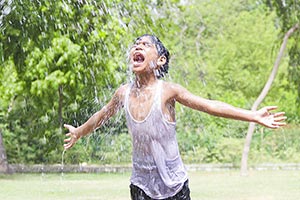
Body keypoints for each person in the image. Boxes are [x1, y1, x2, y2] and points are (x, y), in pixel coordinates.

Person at [64, 34, 286, 200]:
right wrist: (79, 132)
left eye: (145, 44)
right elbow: (100, 116)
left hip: (175, 185)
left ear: (160, 61)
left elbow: (210, 106)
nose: (137, 46)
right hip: (140, 184)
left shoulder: (168, 91)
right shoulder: (123, 93)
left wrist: (253, 115)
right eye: (136, 44)